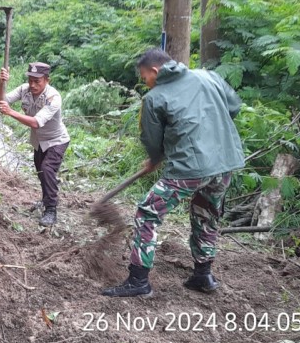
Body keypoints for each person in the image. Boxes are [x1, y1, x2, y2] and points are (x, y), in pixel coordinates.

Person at [102, 47, 245, 298]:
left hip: (190, 167)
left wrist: (154, 159)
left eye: (145, 77)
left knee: (147, 212)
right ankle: (203, 275)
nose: (145, 83)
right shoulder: (208, 76)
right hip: (224, 163)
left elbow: (151, 137)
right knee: (207, 214)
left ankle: (138, 281)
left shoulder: (155, 98)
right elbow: (233, 107)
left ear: (155, 71)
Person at [0, 62, 70, 227]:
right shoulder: (24, 90)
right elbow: (0, 101)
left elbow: (36, 122)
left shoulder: (53, 97)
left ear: (47, 80)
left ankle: (51, 209)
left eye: (38, 81)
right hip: (38, 141)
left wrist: (11, 112)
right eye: (31, 80)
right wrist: (2, 83)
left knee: (47, 168)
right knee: (41, 171)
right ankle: (46, 199)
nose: (33, 85)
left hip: (56, 140)